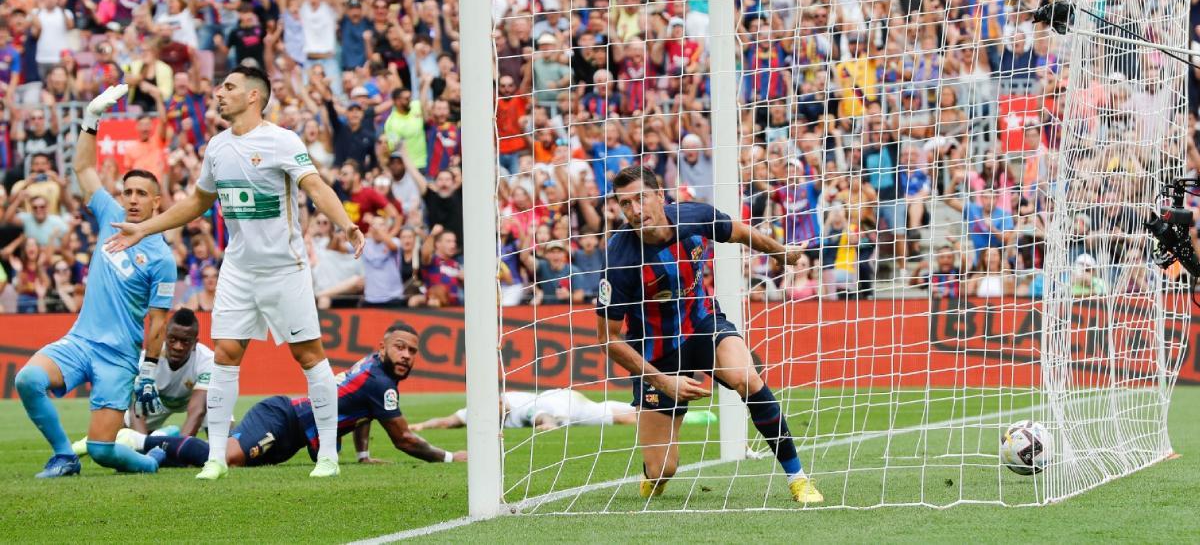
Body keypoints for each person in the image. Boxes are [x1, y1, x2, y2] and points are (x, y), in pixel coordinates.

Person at [105, 65, 366, 480]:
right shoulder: (217, 148)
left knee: (309, 356)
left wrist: (345, 224)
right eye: (220, 85)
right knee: (226, 354)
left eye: (228, 87)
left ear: (253, 97)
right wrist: (144, 227)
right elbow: (196, 203)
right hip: (239, 269)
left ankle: (329, 455)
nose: (218, 92)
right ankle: (215, 459)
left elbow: (315, 187)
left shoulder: (282, 141)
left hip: (285, 269)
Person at [596, 165, 823, 504]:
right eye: (625, 203)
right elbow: (608, 339)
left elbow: (741, 232)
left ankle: (798, 478)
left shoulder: (694, 216)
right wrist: (663, 382)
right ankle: (653, 474)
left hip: (703, 325)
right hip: (656, 353)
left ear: (660, 196)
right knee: (663, 469)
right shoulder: (620, 260)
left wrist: (780, 252)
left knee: (747, 377)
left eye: (641, 198)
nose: (635, 210)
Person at [14, 84, 176, 478]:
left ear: (157, 202)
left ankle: (152, 458)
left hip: (119, 358)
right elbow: (83, 169)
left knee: (104, 451)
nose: (133, 199)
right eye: (128, 192)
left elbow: (158, 321)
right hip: (80, 340)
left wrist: (149, 373)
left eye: (142, 194)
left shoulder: (162, 257)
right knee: (28, 379)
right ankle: (64, 456)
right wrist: (91, 119)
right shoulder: (109, 214)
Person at [134, 323, 466, 468]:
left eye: (412, 350)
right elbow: (404, 439)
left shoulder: (374, 371)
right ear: (382, 347)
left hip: (291, 436)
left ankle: (164, 452)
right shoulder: (379, 382)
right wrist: (450, 457)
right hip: (281, 418)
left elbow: (366, 412)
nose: (407, 355)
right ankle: (140, 443)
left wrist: (363, 456)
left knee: (221, 458)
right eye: (400, 347)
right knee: (226, 459)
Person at [71, 309, 215, 455]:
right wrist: (144, 448)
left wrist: (181, 451)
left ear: (195, 343)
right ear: (165, 336)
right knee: (115, 425)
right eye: (173, 339)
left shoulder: (207, 360)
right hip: (155, 403)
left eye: (185, 341)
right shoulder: (148, 360)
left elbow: (197, 411)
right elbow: (137, 410)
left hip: (194, 400)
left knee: (217, 410)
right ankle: (77, 448)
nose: (178, 346)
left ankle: (214, 446)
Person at [411, 389, 638, 432]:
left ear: (501, 401)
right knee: (610, 408)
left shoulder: (516, 408)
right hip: (560, 397)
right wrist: (421, 425)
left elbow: (539, 415)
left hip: (562, 405)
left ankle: (654, 417)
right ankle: (650, 409)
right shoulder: (480, 410)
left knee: (623, 419)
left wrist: (548, 424)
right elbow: (448, 421)